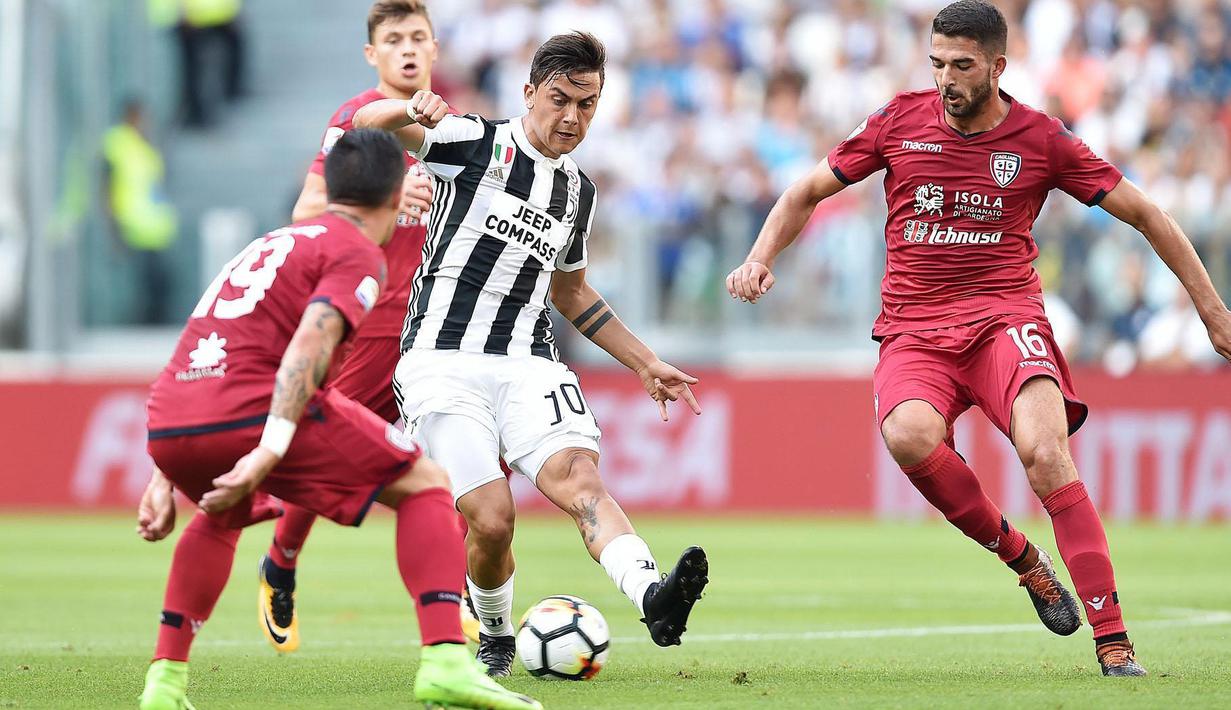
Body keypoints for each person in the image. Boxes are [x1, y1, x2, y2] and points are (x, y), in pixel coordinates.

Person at [726, 0, 1230, 678]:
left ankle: (1113, 643)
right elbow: (804, 191)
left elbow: (1145, 213)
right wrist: (761, 256)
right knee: (906, 437)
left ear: (997, 65)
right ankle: (1021, 559)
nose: (945, 80)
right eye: (936, 64)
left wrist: (1212, 311)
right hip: (913, 331)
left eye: (961, 66)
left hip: (1004, 320)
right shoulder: (896, 121)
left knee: (1044, 452)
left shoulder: (1041, 139)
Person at [135, 128, 540, 710]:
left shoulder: (272, 243)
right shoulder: (355, 252)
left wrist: (163, 473)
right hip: (251, 407)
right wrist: (270, 450)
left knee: (220, 514)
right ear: (400, 193)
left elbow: (200, 345)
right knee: (426, 484)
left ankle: (165, 685)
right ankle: (448, 661)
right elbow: (309, 344)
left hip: (172, 414)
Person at [354, 31, 710, 677]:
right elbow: (363, 123)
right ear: (529, 94)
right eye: (559, 100)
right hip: (441, 359)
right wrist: (413, 109)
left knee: (582, 482)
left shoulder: (578, 191)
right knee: (491, 519)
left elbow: (569, 292)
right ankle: (494, 634)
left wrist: (642, 360)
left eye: (588, 104)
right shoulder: (473, 141)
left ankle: (652, 597)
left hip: (528, 362)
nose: (572, 117)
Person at [256, 0, 483, 654]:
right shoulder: (356, 125)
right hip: (372, 325)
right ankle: (281, 560)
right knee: (331, 456)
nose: (407, 49)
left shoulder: (459, 127)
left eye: (418, 37)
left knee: (470, 469)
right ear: (372, 55)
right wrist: (377, 199)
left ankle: (459, 605)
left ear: (435, 49)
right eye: (393, 40)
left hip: (443, 329)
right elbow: (306, 211)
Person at [101, 98, 178, 325]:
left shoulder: (143, 147)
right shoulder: (116, 144)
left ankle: (151, 323)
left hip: (154, 229)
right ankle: (141, 324)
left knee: (160, 284)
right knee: (144, 288)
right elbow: (106, 185)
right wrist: (112, 225)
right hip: (132, 226)